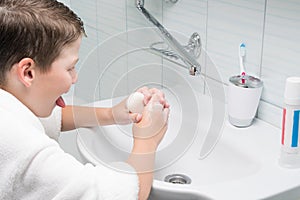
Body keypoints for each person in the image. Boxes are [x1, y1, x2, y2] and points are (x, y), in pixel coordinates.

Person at [0, 0, 170, 199]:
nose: (75, 78)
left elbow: (54, 117)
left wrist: (111, 113)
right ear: (28, 72)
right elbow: (123, 194)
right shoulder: (25, 147)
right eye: (70, 68)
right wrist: (147, 139)